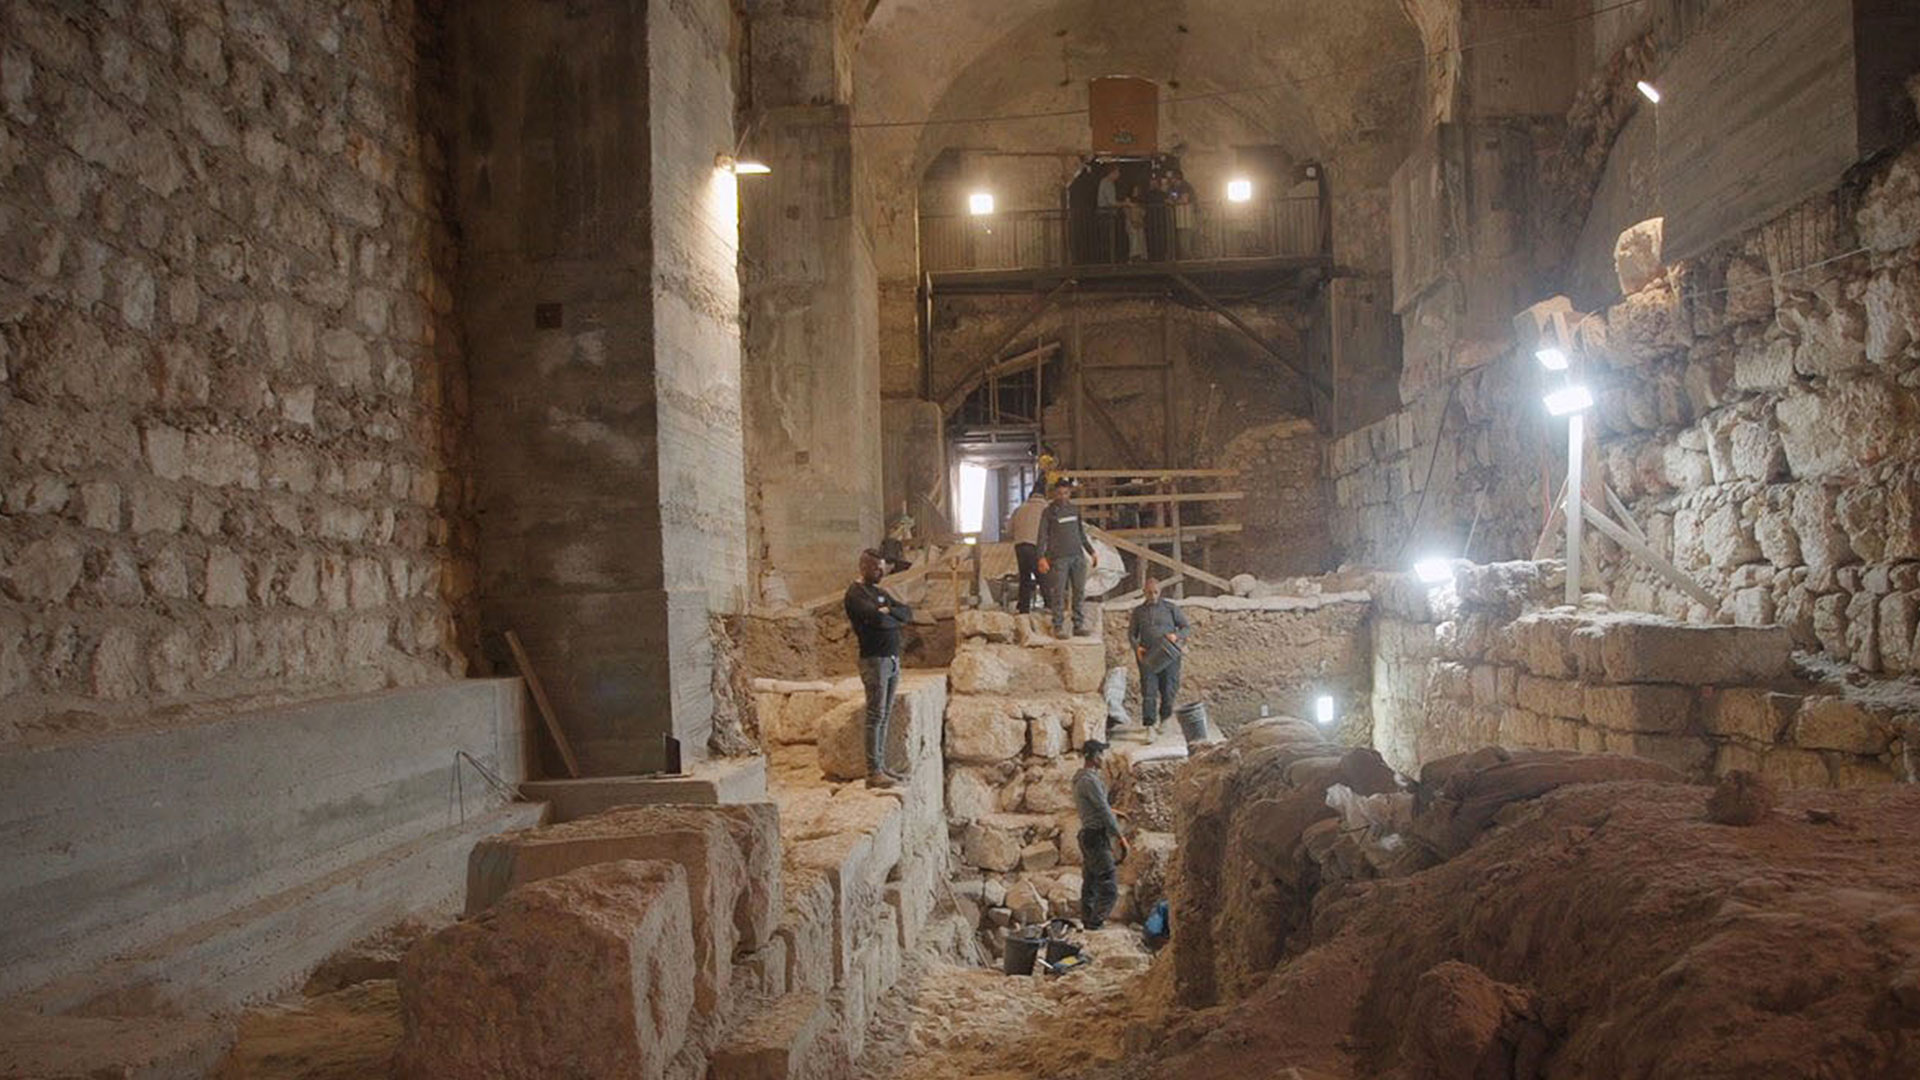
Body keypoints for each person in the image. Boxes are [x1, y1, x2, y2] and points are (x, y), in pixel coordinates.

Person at [844, 548, 914, 789]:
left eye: (883, 568)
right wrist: (888, 618)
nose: (881, 572)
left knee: (884, 715)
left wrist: (889, 613)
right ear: (863, 567)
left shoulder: (880, 593)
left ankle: (882, 766)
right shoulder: (855, 594)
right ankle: (873, 771)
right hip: (874, 659)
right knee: (875, 715)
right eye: (876, 568)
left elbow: (906, 613)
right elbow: (875, 620)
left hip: (892, 659)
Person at [1074, 739, 1129, 929]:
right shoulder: (1089, 780)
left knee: (1090, 882)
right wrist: (1120, 837)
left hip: (1088, 836)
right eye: (1100, 754)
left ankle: (1088, 920)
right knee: (1109, 886)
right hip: (1096, 838)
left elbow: (1096, 806)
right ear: (1094, 756)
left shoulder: (1082, 778)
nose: (1102, 759)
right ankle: (1096, 923)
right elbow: (1103, 809)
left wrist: (1114, 812)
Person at [1036, 477, 1098, 637]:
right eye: (1059, 493)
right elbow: (1042, 535)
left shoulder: (1074, 510)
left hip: (1077, 556)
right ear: (1054, 494)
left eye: (1065, 493)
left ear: (1069, 494)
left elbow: (1081, 533)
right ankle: (1058, 626)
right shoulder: (1048, 512)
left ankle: (1078, 625)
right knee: (1058, 593)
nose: (1062, 496)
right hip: (1058, 558)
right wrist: (1041, 557)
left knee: (1079, 591)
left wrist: (1091, 551)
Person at [1128, 576, 1189, 733]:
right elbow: (1132, 634)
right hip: (1148, 657)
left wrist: (1176, 636)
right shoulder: (1138, 612)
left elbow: (1186, 627)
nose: (1153, 596)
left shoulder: (1171, 608)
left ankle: (1165, 719)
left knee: (1169, 689)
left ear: (1160, 592)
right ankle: (1149, 725)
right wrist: (1137, 648)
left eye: (1155, 592)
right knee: (1149, 691)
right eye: (1149, 593)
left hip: (1169, 656)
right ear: (1144, 592)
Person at [1008, 483, 1048, 614]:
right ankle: (1050, 605)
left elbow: (1009, 530)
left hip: (1020, 546)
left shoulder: (1019, 508)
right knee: (1043, 576)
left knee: (1024, 577)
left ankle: (1024, 609)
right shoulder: (1046, 508)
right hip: (1036, 546)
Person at [1096, 164, 1122, 262]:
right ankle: (1108, 261)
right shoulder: (1107, 183)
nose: (1119, 175)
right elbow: (1112, 202)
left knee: (1106, 238)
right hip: (1106, 214)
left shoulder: (1105, 182)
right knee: (1108, 238)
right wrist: (1124, 203)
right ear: (1112, 173)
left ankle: (1108, 260)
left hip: (1105, 214)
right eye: (1117, 172)